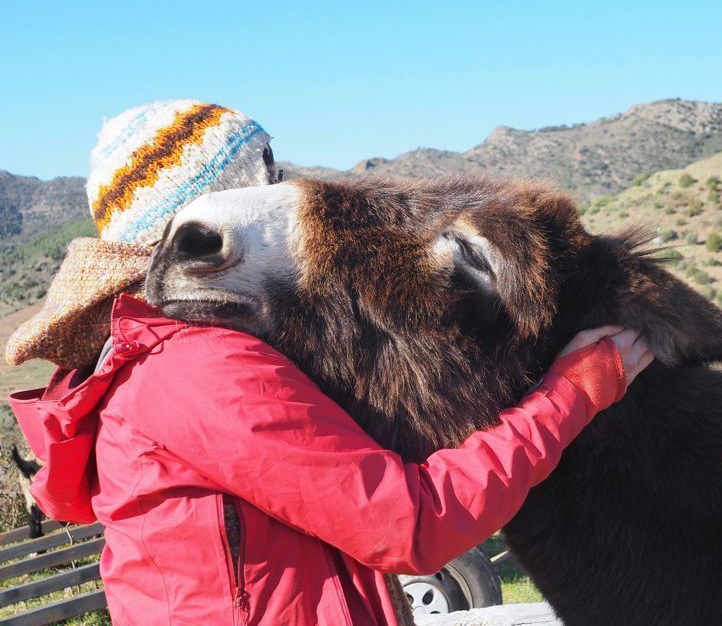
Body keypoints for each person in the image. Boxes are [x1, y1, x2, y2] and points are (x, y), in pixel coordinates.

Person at [6, 101, 653, 625]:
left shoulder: (158, 360)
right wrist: (572, 393)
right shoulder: (196, 367)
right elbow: (412, 522)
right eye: (267, 180)